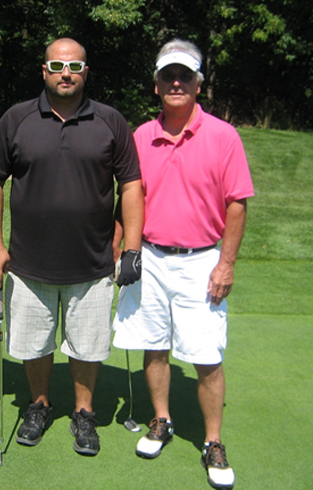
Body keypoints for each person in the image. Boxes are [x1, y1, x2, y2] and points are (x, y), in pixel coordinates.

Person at [0, 38, 144, 456]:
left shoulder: (110, 121)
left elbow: (131, 186)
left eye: (74, 66)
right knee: (34, 343)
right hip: (28, 263)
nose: (65, 73)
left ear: (86, 72)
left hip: (92, 263)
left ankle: (84, 413)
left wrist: (132, 248)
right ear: (44, 71)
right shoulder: (17, 119)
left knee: (87, 345)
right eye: (56, 65)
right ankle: (39, 404)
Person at [113, 39, 254, 489]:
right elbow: (128, 199)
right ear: (156, 85)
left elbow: (237, 205)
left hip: (201, 262)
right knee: (154, 345)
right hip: (150, 257)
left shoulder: (223, 135)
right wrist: (121, 250)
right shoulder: (140, 135)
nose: (176, 83)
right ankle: (161, 420)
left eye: (185, 76)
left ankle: (212, 441)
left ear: (198, 84)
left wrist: (226, 264)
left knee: (206, 356)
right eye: (167, 76)